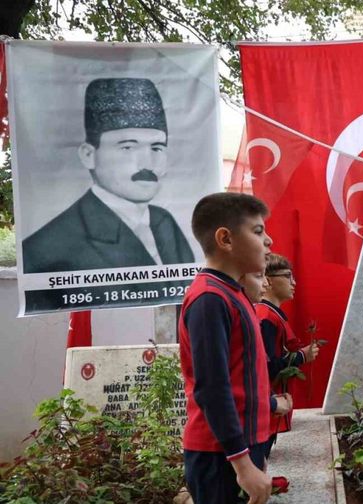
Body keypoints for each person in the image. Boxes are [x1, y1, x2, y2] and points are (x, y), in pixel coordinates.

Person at [179, 192, 290, 504]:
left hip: (240, 446)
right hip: (220, 455)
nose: (268, 241)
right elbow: (212, 387)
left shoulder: (234, 293)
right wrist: (241, 463)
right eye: (257, 231)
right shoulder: (210, 299)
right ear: (225, 239)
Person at [22, 77, 193, 273]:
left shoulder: (163, 222)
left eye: (156, 148)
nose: (147, 163)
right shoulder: (45, 250)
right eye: (128, 147)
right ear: (89, 155)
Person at [257, 254, 319, 458]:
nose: (294, 282)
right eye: (288, 276)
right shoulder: (266, 318)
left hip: (273, 409)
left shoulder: (271, 315)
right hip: (266, 410)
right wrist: (301, 356)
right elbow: (265, 367)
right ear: (269, 280)